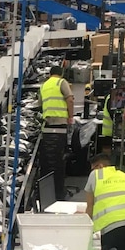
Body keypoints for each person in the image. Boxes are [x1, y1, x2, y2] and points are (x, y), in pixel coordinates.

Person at [39, 65, 74, 202]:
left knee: (48, 161)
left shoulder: (44, 85)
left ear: (49, 74)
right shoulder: (61, 82)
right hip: (60, 123)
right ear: (61, 74)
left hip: (47, 125)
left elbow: (40, 104)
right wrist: (71, 116)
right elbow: (70, 99)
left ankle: (47, 192)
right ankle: (59, 191)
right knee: (59, 158)